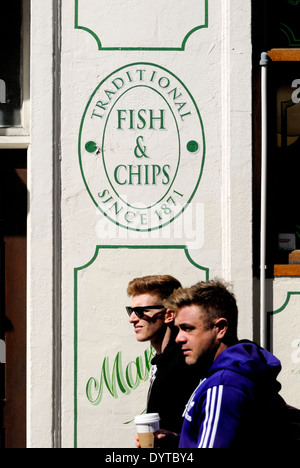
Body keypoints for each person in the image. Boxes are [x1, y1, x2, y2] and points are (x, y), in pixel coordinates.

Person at [156, 279, 291, 448]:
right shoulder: (237, 372)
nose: (179, 338)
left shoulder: (224, 384)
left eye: (188, 328)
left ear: (220, 328)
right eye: (178, 329)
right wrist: (179, 440)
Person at [127, 275, 203, 435]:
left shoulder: (183, 364)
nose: (132, 319)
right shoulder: (164, 362)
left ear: (169, 315)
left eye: (141, 311)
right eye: (131, 311)